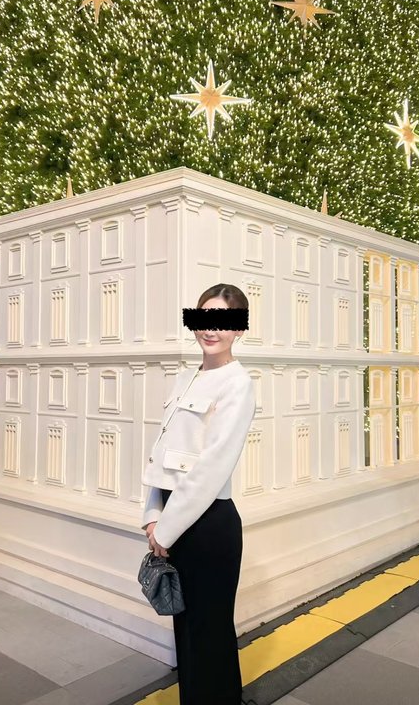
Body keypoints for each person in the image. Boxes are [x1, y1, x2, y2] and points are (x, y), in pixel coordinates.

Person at [141, 283, 256, 705]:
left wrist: (165, 531)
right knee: (186, 630)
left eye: (223, 321)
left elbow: (212, 468)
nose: (211, 329)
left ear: (239, 329)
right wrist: (152, 515)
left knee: (209, 632)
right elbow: (161, 452)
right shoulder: (187, 377)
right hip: (174, 518)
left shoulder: (238, 383)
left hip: (208, 525)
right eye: (204, 317)